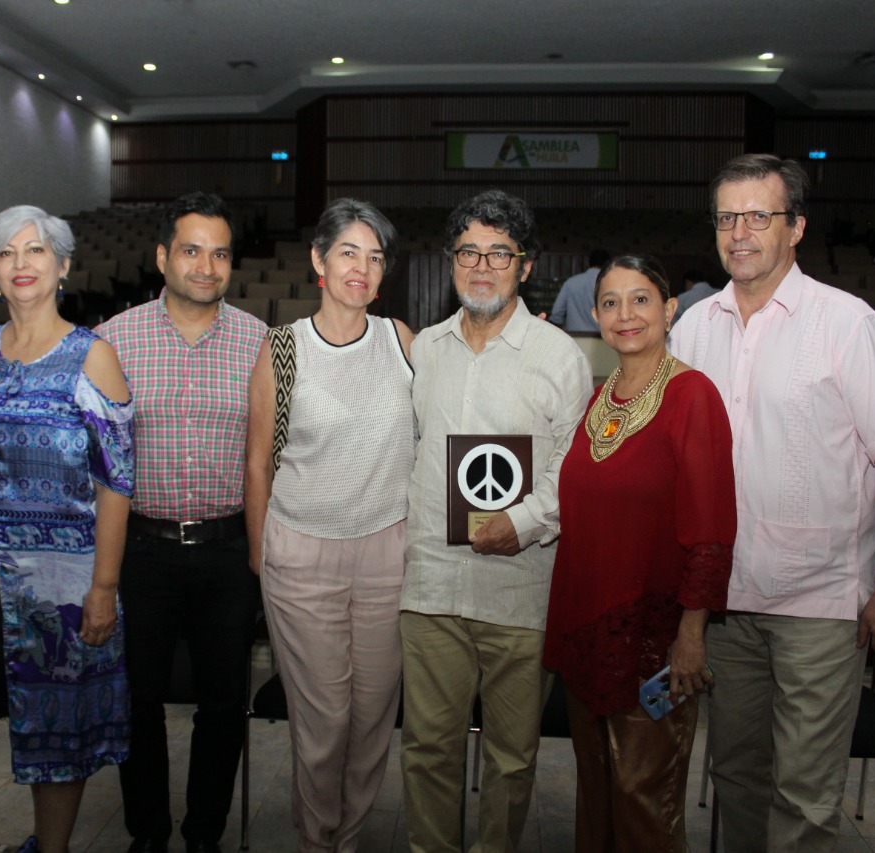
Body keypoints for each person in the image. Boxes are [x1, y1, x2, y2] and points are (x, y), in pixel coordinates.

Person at [669, 153, 875, 852]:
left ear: (797, 226)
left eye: (759, 215)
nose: (740, 231)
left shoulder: (847, 323)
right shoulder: (692, 330)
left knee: (805, 793)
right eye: (727, 216)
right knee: (736, 775)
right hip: (726, 603)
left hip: (818, 605)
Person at [402, 189, 593, 853]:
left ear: (525, 265)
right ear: (452, 261)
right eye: (469, 252)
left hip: (520, 590)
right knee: (427, 751)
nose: (482, 265)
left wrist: (527, 520)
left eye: (499, 253)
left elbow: (574, 473)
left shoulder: (560, 355)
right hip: (430, 588)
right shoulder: (423, 349)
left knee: (511, 759)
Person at [0, 205, 135, 853]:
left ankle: (50, 848)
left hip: (65, 583)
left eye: (35, 250)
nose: (21, 263)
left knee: (59, 725)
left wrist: (104, 586)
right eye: (6, 253)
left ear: (63, 265)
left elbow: (117, 479)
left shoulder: (93, 356)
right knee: (19, 716)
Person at [543, 254, 736, 852]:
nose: (625, 314)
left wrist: (691, 633)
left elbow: (711, 529)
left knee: (643, 800)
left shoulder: (692, 395)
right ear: (594, 314)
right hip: (586, 633)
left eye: (641, 299)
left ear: (670, 307)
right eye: (610, 302)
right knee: (596, 792)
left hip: (653, 639)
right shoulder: (599, 399)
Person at [94, 192, 266, 853]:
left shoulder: (259, 341)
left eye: (219, 252)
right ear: (163, 256)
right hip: (143, 550)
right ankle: (147, 833)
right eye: (192, 250)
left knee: (223, 705)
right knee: (136, 702)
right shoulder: (114, 337)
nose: (206, 265)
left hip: (227, 550)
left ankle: (204, 835)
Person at [245, 199, 415, 852]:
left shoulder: (401, 340)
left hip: (387, 554)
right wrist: (264, 557)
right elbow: (258, 461)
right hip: (301, 556)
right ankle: (319, 840)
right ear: (318, 259)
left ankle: (349, 835)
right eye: (349, 252)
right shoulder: (282, 348)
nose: (362, 268)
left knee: (373, 716)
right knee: (324, 720)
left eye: (375, 258)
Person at [548, 248, 609, 333]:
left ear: (588, 263)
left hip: (575, 339)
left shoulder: (570, 283)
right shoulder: (610, 284)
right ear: (607, 265)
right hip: (603, 341)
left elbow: (556, 313)